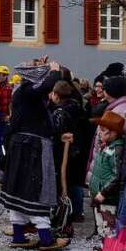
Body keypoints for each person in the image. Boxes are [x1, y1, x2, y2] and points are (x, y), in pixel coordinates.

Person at [0, 59, 70, 251]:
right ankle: (46, 239)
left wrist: (56, 133)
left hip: (23, 145)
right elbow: (47, 85)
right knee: (36, 190)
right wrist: (54, 71)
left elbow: (39, 117)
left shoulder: (26, 92)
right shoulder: (27, 91)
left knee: (19, 190)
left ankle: (19, 236)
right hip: (31, 148)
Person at [89, 111, 126, 251]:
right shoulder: (107, 147)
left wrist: (103, 192)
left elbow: (117, 176)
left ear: (113, 133)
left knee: (109, 229)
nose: (99, 132)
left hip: (107, 198)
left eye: (103, 130)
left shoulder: (116, 150)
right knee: (103, 229)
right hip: (99, 196)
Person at [50, 79, 87, 229]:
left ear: (57, 95)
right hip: (77, 151)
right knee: (75, 183)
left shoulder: (59, 112)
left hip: (63, 154)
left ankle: (63, 218)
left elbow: (57, 135)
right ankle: (76, 212)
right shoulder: (78, 107)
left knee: (63, 186)